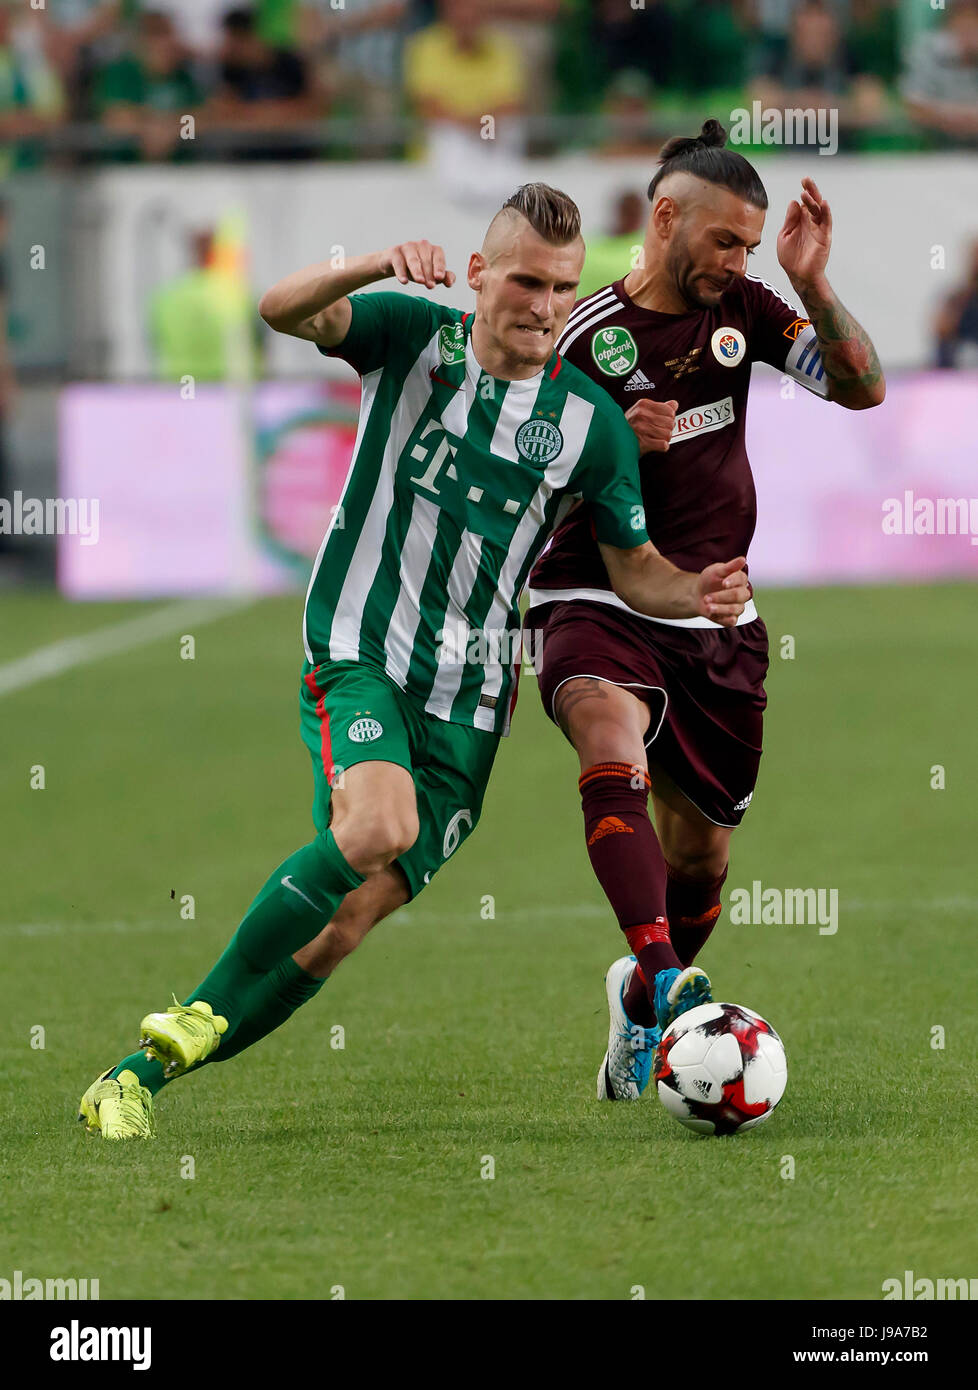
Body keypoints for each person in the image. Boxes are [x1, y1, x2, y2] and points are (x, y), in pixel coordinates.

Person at [78, 181, 752, 1139]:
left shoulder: (590, 424)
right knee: (377, 827)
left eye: (564, 289)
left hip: (471, 706)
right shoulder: (410, 337)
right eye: (526, 280)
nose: (545, 306)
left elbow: (635, 571)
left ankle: (135, 1077)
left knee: (341, 926)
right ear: (479, 275)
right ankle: (186, 1023)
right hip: (361, 648)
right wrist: (373, 262)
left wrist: (699, 592)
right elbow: (282, 307)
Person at [522, 120, 885, 1103]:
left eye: (753, 247)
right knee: (609, 732)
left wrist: (809, 283)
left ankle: (641, 996)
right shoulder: (584, 336)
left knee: (704, 852)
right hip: (592, 588)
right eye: (724, 242)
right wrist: (612, 449)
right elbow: (520, 489)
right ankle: (663, 975)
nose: (737, 261)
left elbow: (863, 388)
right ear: (665, 216)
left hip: (716, 615)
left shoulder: (753, 312)